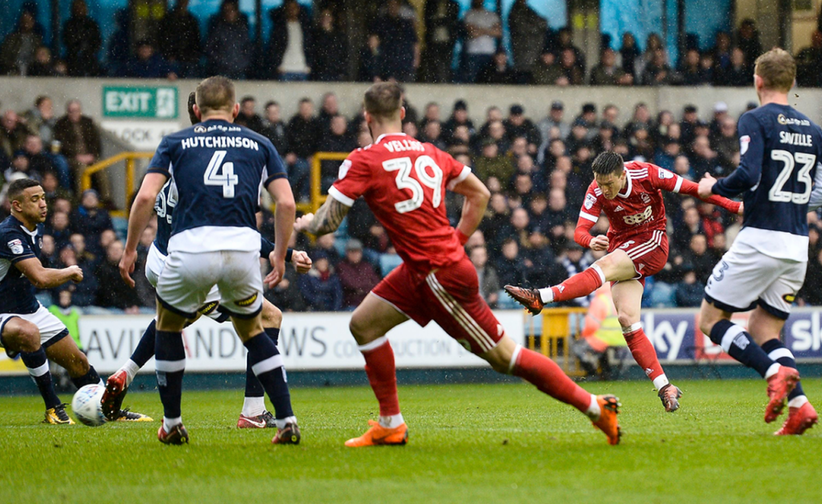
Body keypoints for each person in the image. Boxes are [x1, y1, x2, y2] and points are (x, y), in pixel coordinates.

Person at [294, 82, 622, 447]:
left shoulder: (364, 159)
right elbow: (480, 193)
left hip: (439, 275)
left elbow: (326, 223)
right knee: (364, 325)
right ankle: (391, 424)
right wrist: (458, 239)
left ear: (367, 117)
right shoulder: (431, 153)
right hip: (422, 269)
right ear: (403, 114)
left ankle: (596, 407)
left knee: (505, 357)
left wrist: (306, 223)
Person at [118, 76, 300, 445]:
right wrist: (280, 255)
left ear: (196, 110)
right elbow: (286, 204)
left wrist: (129, 250)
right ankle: (285, 419)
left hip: (190, 248)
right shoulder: (259, 143)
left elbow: (143, 198)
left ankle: (171, 424)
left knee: (168, 326)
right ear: (235, 110)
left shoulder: (176, 143)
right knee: (254, 330)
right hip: (241, 251)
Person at [505, 151, 742, 411]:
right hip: (623, 250)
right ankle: (665, 386)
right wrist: (589, 240)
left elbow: (694, 189)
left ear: (622, 174)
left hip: (652, 243)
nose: (604, 189)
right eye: (599, 182)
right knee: (627, 321)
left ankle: (541, 297)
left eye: (609, 183)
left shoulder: (647, 173)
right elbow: (580, 231)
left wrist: (737, 207)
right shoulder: (596, 188)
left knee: (604, 266)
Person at [697, 48, 822, 435]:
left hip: (760, 240)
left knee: (710, 320)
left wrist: (714, 187)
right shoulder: (811, 128)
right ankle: (801, 406)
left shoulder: (754, 119)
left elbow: (747, 172)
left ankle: (774, 373)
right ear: (791, 83)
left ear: (757, 81)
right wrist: (787, 200)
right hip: (796, 246)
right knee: (765, 329)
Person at [0, 179, 149, 424]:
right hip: (3, 312)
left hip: (28, 308)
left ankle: (109, 411)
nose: (42, 204)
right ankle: (53, 408)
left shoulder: (35, 228)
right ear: (16, 205)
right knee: (28, 333)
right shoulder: (9, 234)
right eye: (34, 200)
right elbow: (39, 277)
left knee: (78, 362)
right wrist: (70, 271)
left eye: (43, 198)